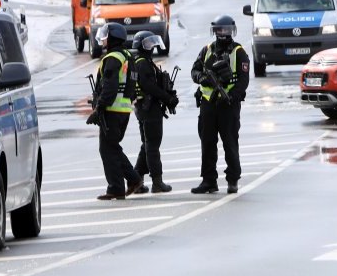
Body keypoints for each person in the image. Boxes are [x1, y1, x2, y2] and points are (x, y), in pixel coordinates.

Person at [189, 15, 250, 194]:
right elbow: (194, 70)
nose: (223, 33)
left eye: (226, 30)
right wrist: (202, 78)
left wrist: (230, 96)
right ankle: (209, 181)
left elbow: (243, 80)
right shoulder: (206, 50)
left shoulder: (238, 52)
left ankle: (232, 180)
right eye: (219, 30)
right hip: (208, 104)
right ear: (215, 31)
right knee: (207, 142)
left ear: (232, 31)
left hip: (228, 105)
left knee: (230, 142)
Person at [87, 23, 142, 199]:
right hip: (123, 110)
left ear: (112, 38)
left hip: (111, 110)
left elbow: (109, 87)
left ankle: (125, 183)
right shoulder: (127, 56)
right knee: (111, 148)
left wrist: (99, 108)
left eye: (105, 36)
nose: (102, 40)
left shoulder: (112, 58)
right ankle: (123, 185)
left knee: (108, 149)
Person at [129, 30, 179, 194]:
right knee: (152, 146)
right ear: (141, 45)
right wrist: (167, 97)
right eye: (148, 43)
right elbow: (149, 86)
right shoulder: (143, 63)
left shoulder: (141, 61)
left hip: (144, 108)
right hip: (149, 109)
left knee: (147, 145)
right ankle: (157, 182)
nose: (152, 46)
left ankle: (136, 180)